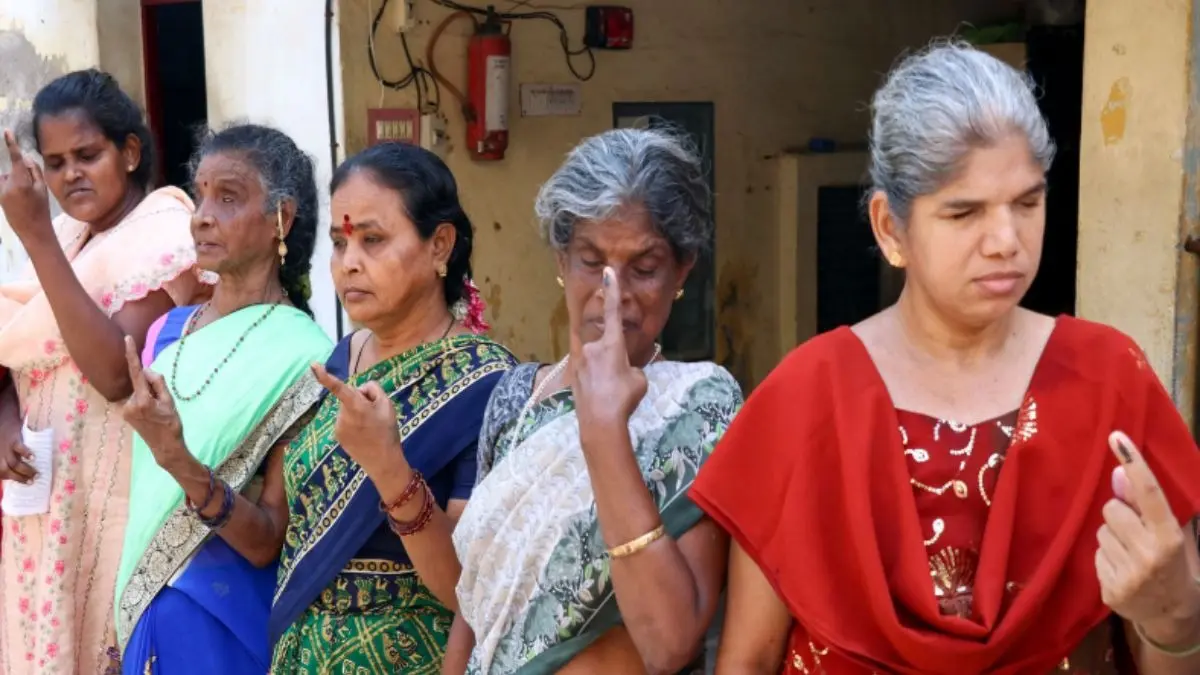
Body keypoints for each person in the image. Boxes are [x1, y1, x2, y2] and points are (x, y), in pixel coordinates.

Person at [691, 41, 1200, 675]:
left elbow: (1171, 654)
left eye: (1027, 203)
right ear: (889, 228)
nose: (1006, 241)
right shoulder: (806, 399)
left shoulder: (1109, 383)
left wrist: (1174, 614)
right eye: (964, 212)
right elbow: (748, 659)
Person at [447, 128, 743, 675]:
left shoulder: (701, 405)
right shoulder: (516, 400)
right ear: (561, 260)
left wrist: (605, 434)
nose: (614, 292)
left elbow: (668, 643)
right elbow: (477, 609)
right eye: (590, 260)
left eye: (645, 267)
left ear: (682, 271)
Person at [268, 141, 516, 674]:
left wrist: (389, 470)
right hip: (305, 656)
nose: (349, 263)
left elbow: (467, 590)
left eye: (373, 240)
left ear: (439, 246)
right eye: (339, 242)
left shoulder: (489, 386)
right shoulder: (340, 359)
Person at [0, 69, 204, 674]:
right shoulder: (69, 234)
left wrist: (35, 237)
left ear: (131, 151)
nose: (71, 175)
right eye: (56, 161)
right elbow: (17, 350)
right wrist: (6, 421)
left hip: (114, 498)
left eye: (88, 155)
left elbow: (116, 372)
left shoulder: (167, 236)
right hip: (44, 494)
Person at [111, 123, 332, 674]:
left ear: (281, 218)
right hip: (140, 615)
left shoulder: (307, 358)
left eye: (228, 197)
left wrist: (180, 461)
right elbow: (141, 506)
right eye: (201, 193)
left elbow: (266, 542)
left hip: (222, 626)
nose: (201, 214)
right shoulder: (167, 332)